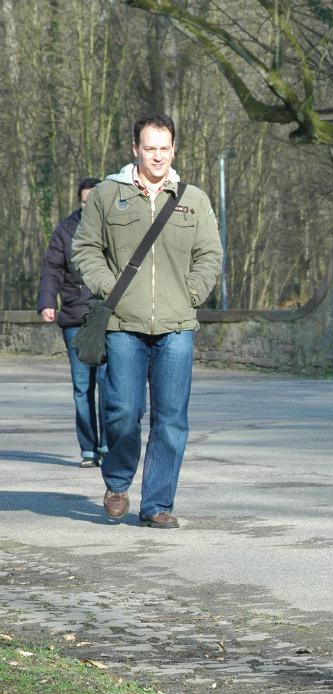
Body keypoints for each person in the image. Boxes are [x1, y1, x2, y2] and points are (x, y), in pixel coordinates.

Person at [73, 113, 223, 528]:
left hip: (176, 326)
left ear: (173, 150)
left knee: (171, 419)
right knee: (123, 410)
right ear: (135, 149)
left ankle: (157, 504)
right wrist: (107, 288)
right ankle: (118, 481)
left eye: (164, 148)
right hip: (123, 324)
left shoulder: (195, 199)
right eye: (149, 148)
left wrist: (191, 295)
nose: (157, 156)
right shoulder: (107, 194)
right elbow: (85, 248)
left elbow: (210, 255)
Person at [37, 177, 106, 468]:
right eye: (84, 201)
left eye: (94, 201)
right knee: (82, 387)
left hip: (106, 317)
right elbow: (52, 268)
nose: (89, 206)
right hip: (75, 319)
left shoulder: (113, 227)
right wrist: (47, 302)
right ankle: (89, 448)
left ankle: (107, 444)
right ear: (79, 202)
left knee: (109, 384)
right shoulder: (65, 230)